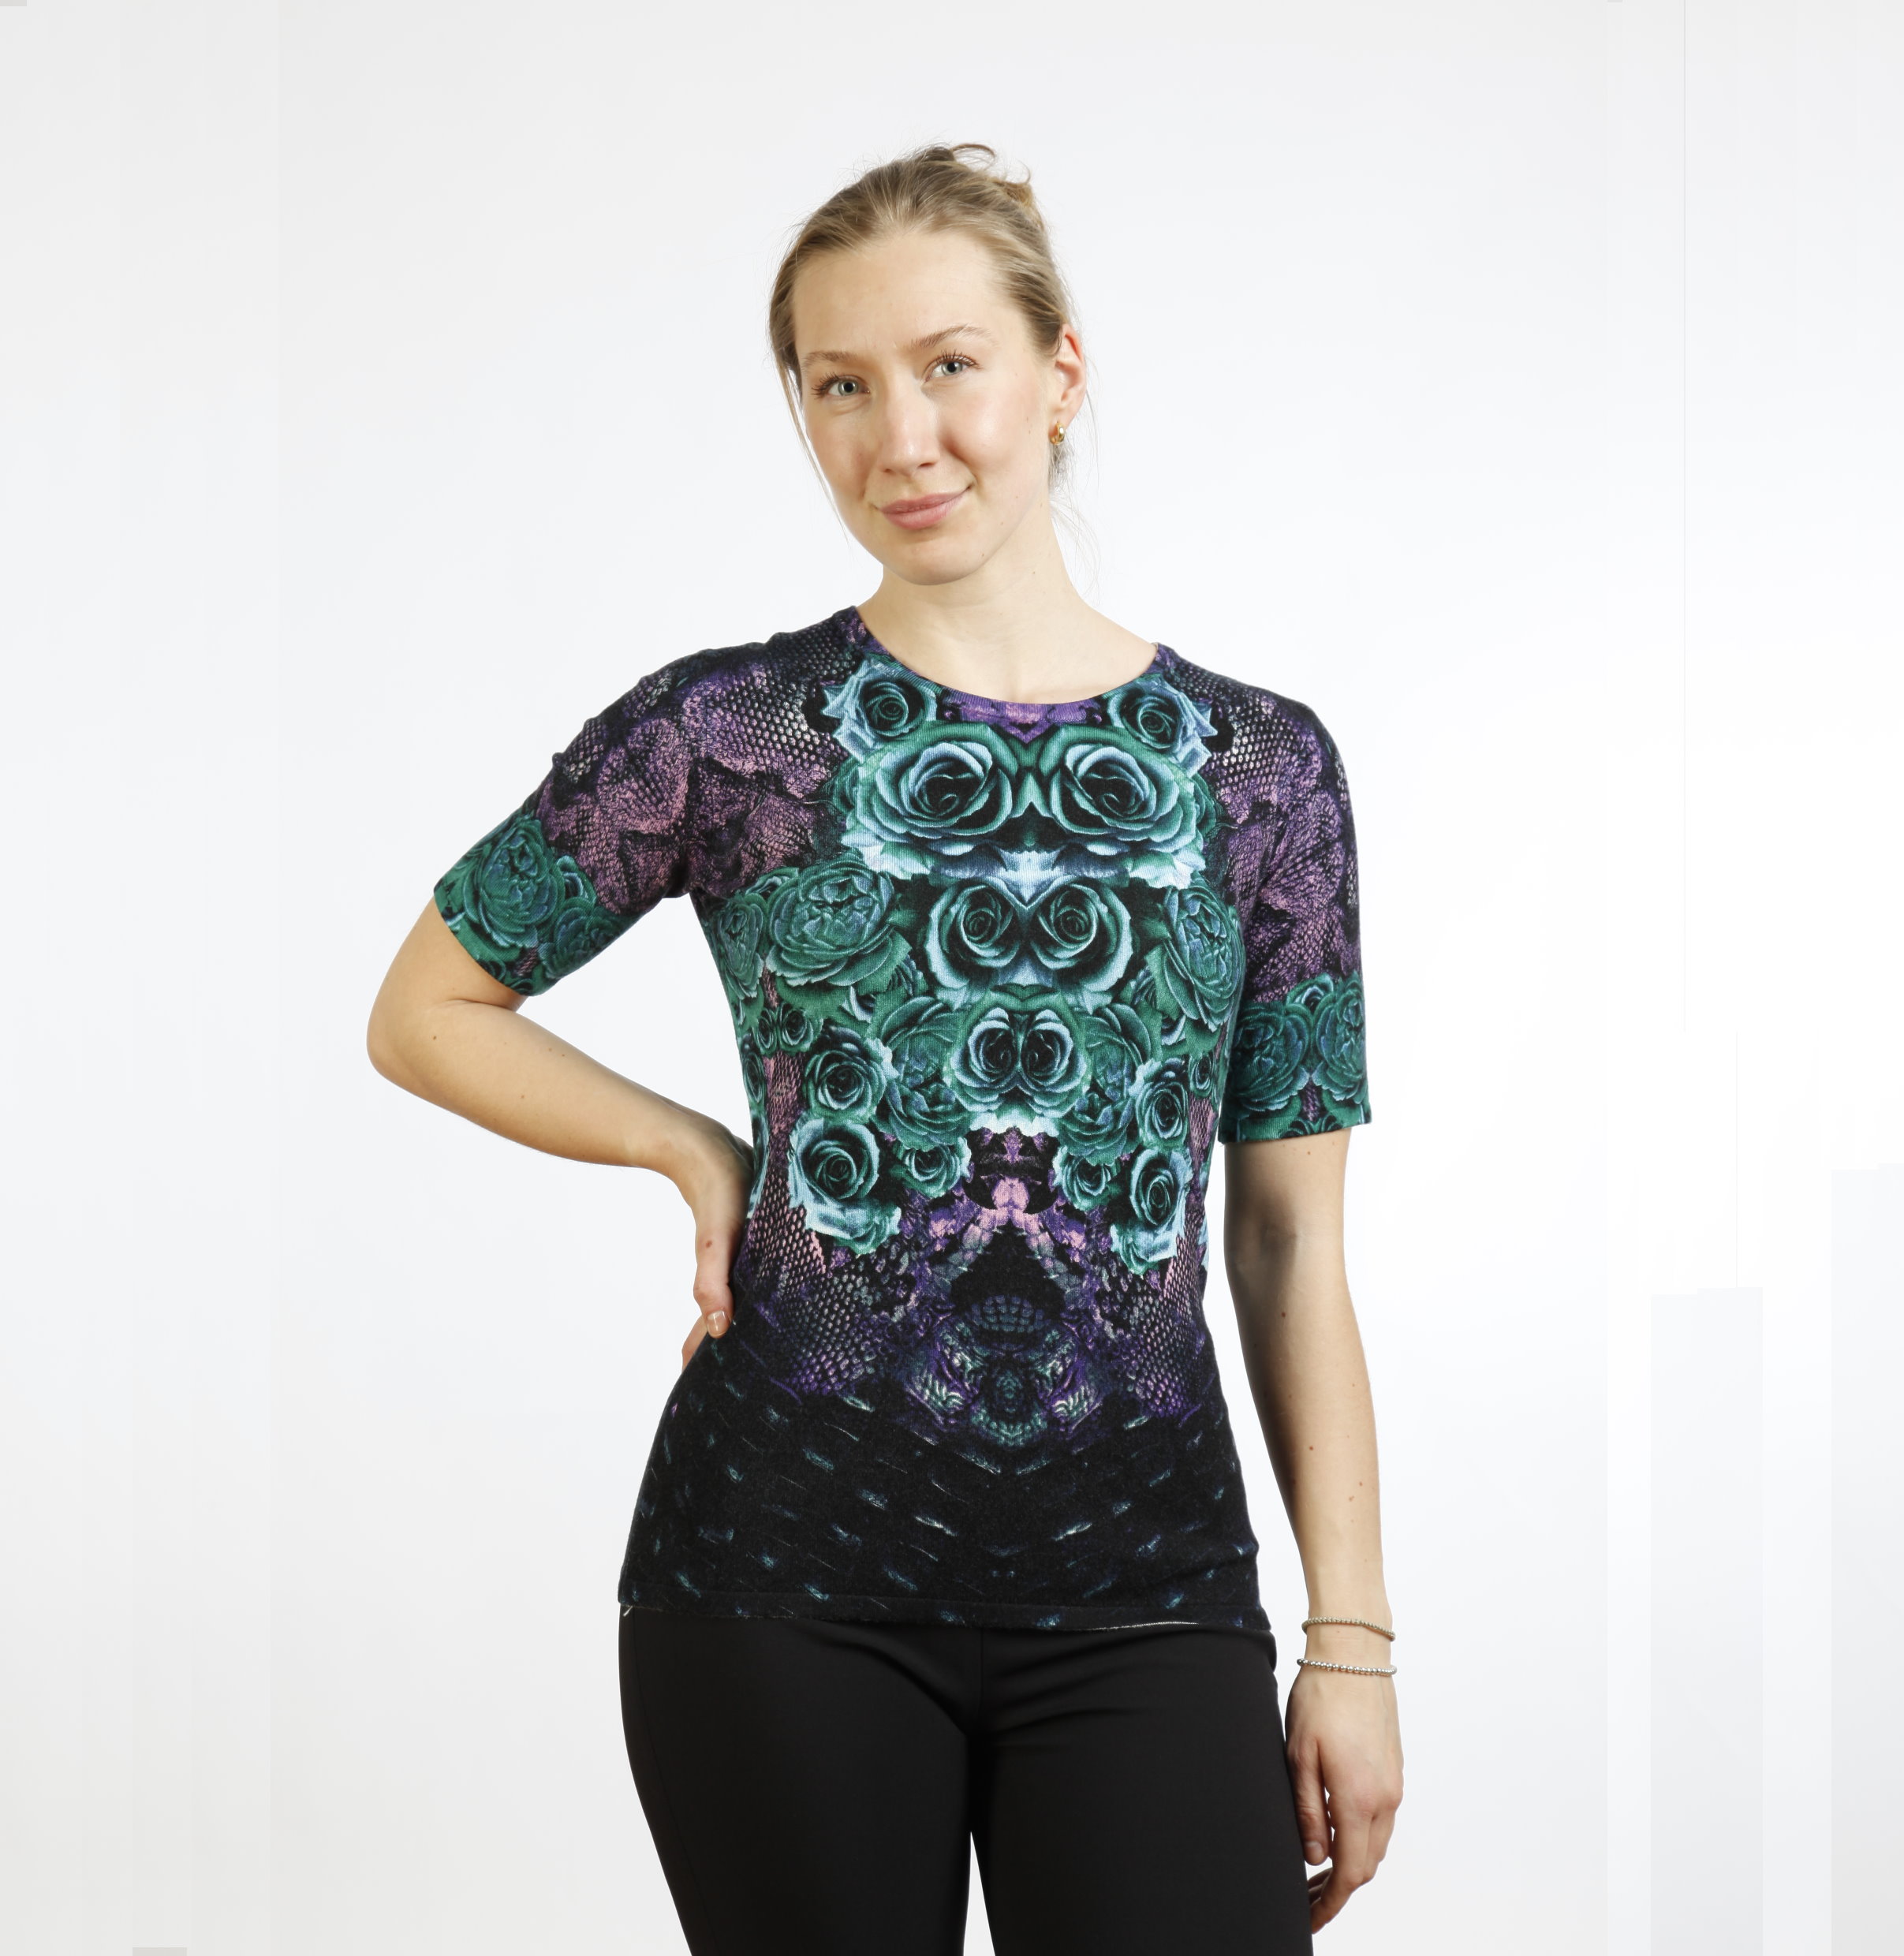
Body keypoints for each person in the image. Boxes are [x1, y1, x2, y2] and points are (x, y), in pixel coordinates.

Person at [367, 141, 1402, 1954]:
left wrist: (1352, 1640)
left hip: (1148, 1588)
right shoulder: (728, 732)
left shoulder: (1260, 772)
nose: (899, 437)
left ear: (1059, 372)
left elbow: (1290, 1240)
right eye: (839, 386)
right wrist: (691, 1147)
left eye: (947, 367)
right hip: (777, 1580)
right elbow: (425, 1008)